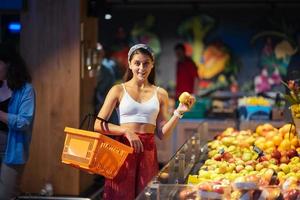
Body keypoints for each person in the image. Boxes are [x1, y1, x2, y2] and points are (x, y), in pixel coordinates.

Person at [94, 44, 195, 200]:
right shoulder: (118, 90)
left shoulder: (161, 93)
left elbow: (162, 134)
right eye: (137, 63)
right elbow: (98, 125)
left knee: (145, 196)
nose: (142, 67)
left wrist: (179, 112)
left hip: (147, 151)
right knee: (119, 195)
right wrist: (126, 131)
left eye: (146, 63)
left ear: (152, 64)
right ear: (130, 63)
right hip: (122, 149)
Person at [0, 44, 36, 199]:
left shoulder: (25, 89)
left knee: (6, 195)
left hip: (11, 149)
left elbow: (24, 122)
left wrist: (0, 115)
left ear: (8, 64)